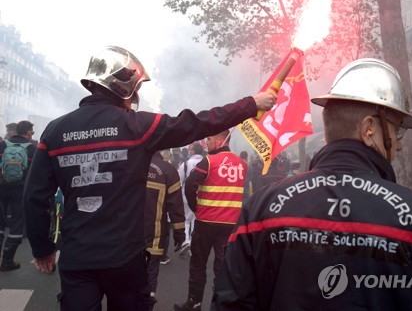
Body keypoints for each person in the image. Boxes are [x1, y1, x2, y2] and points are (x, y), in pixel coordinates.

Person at [211, 58, 412, 310]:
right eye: (396, 129)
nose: (399, 144)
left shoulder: (260, 209)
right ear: (369, 128)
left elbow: (229, 302)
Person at [22, 45, 276, 311]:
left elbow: (34, 196)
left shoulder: (54, 131)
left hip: (77, 258)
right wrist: (250, 105)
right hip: (124, 258)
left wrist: (42, 248)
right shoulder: (136, 126)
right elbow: (197, 122)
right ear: (126, 85)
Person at [174, 130, 248, 311]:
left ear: (221, 140)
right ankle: (221, 304)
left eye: (209, 139)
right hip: (230, 224)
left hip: (206, 222)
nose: (206, 142)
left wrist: (196, 208)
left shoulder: (209, 161)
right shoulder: (242, 165)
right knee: (223, 267)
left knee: (198, 264)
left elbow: (191, 184)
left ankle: (194, 303)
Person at [144, 151, 185, 311]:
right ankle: (148, 301)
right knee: (151, 271)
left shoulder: (132, 164)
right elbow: (176, 206)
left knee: (131, 271)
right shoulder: (168, 171)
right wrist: (179, 232)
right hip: (154, 234)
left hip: (129, 236)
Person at [0, 120, 36, 271]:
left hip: (1, 187)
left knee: (0, 223)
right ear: (27, 132)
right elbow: (36, 173)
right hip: (20, 190)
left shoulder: (3, 145)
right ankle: (7, 261)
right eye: (31, 132)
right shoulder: (32, 148)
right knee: (16, 225)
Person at [177, 141, 205, 256]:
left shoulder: (186, 164)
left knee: (186, 219)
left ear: (193, 151)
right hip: (202, 196)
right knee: (195, 219)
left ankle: (186, 240)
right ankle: (193, 243)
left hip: (186, 195)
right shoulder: (206, 163)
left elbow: (179, 180)